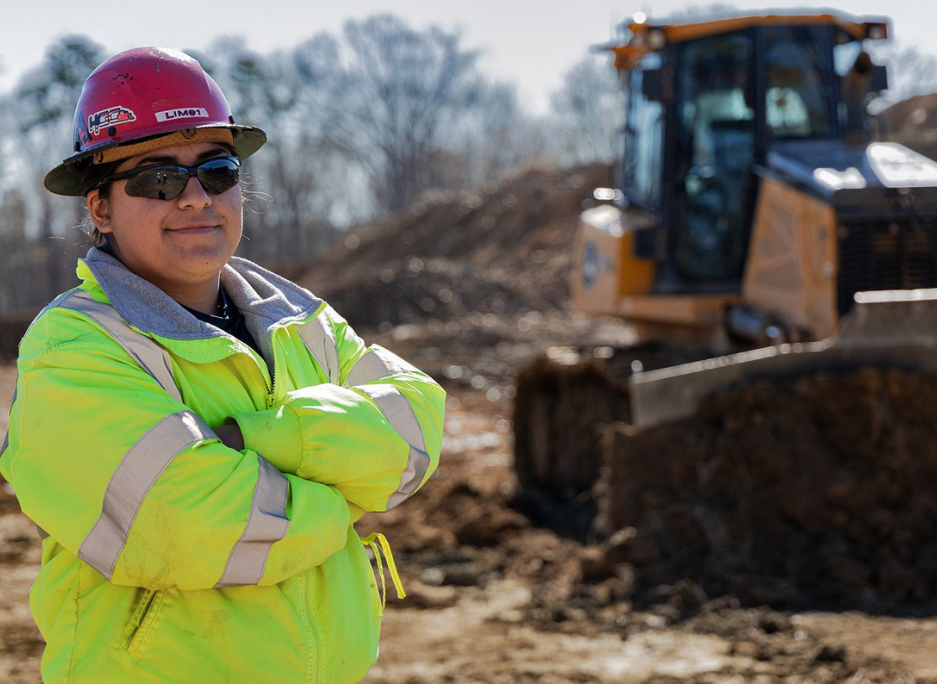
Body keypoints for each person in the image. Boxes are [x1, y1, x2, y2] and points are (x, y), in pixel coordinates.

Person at [0, 46, 445, 684]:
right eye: (157, 180)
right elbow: (193, 527)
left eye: (216, 172)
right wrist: (345, 499)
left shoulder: (297, 316)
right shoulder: (73, 347)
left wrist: (264, 440)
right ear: (99, 208)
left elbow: (418, 427)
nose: (194, 198)